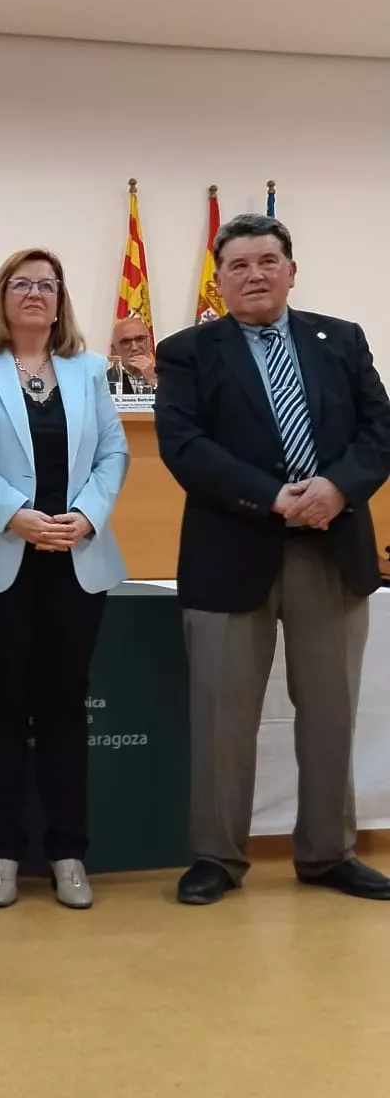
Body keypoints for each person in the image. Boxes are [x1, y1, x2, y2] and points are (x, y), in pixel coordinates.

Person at [154, 212, 390, 906]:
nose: (254, 275)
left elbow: (381, 429)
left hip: (332, 548)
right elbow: (185, 447)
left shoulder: (341, 340)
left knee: (330, 710)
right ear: (219, 279)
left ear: (290, 269)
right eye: (239, 265)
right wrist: (274, 498)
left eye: (267, 261)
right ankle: (217, 859)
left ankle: (327, 853)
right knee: (223, 716)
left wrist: (337, 488)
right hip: (233, 551)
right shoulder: (188, 351)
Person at [0, 250, 130, 909]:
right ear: (2, 295)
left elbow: (113, 452)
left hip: (75, 560)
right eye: (23, 283)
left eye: (48, 285)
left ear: (60, 300)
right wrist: (16, 516)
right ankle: (1, 852)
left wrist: (85, 516)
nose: (36, 294)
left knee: (62, 710)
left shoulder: (90, 369)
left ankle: (68, 850)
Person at [107, 314, 156, 395]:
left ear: (150, 344)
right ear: (114, 350)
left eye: (140, 339)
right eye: (126, 342)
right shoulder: (103, 381)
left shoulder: (169, 378)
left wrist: (154, 382)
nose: (134, 348)